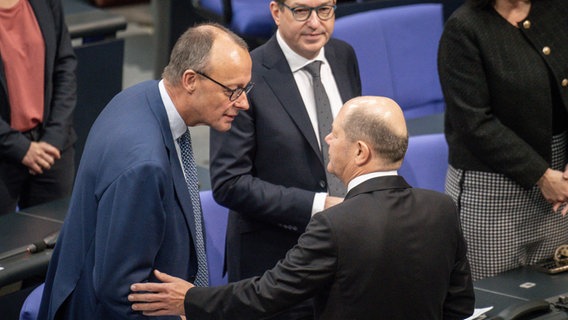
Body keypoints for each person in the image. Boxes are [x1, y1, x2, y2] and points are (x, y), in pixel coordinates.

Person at [129, 96, 475, 320]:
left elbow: (265, 295)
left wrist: (191, 300)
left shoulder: (335, 226)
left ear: (360, 152)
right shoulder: (442, 208)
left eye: (335, 134)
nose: (327, 139)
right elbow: (459, 306)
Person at [38, 23, 252, 319]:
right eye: (234, 91)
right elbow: (122, 293)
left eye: (245, 88)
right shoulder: (144, 166)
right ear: (190, 80)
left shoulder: (142, 96)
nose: (243, 103)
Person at [208, 1, 360, 318]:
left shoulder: (343, 55)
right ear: (276, 12)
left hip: (342, 253)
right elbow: (229, 183)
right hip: (273, 263)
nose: (316, 23)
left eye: (326, 10)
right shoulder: (245, 74)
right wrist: (319, 205)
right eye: (302, 11)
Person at [438, 0, 568, 280]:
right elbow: (472, 122)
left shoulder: (559, 8)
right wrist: (541, 175)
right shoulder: (464, 28)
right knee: (497, 302)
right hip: (492, 190)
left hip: (561, 185)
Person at [0, 0, 77, 215]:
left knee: (53, 240)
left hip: (52, 150)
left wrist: (54, 136)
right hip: (4, 152)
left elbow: (65, 64)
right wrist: (19, 147)